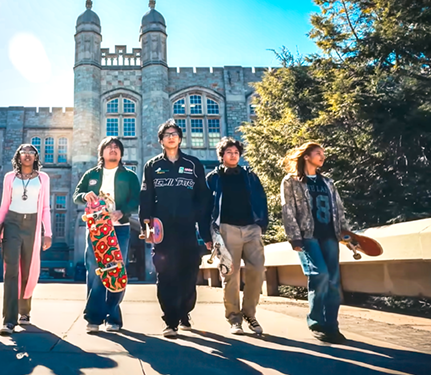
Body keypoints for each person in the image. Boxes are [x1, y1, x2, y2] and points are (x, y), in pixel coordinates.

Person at [139, 119, 212, 338]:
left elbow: (203, 198)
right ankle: (170, 320)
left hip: (187, 229)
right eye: (166, 134)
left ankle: (184, 313)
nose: (171, 137)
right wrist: (146, 224)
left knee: (189, 273)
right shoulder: (153, 166)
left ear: (180, 138)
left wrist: (205, 231)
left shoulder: (193, 164)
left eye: (174, 133)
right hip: (163, 231)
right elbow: (146, 196)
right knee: (166, 273)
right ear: (161, 140)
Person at [280, 142, 350, 343]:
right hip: (308, 236)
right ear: (306, 157)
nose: (322, 156)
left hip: (330, 235)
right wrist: (294, 237)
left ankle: (332, 326)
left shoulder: (328, 182)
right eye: (318, 153)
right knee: (320, 274)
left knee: (334, 282)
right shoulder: (291, 181)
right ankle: (316, 321)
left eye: (323, 153)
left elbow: (339, 208)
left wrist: (345, 232)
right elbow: (288, 209)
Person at [73, 137, 140, 333]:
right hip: (96, 229)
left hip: (120, 228)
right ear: (101, 152)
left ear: (121, 153)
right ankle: (93, 317)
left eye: (117, 147)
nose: (113, 150)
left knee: (116, 270)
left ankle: (113, 316)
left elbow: (137, 200)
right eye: (109, 147)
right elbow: (77, 195)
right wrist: (85, 196)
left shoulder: (129, 176)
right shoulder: (91, 174)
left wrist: (123, 212)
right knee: (95, 270)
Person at [206, 137, 268, 335]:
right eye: (229, 152)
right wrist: (210, 234)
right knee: (230, 275)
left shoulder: (250, 176)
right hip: (227, 229)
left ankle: (250, 314)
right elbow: (206, 207)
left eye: (236, 153)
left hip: (251, 228)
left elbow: (261, 199)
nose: (233, 155)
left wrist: (261, 225)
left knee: (257, 272)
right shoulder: (213, 178)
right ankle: (234, 318)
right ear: (222, 155)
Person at [0, 144, 52, 335]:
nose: (27, 155)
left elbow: (45, 207)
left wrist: (47, 232)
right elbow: (4, 205)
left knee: (28, 268)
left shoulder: (43, 178)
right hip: (12, 223)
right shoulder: (10, 177)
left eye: (31, 152)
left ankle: (24, 310)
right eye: (23, 152)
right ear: (18, 156)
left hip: (32, 224)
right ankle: (9, 319)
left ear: (36, 157)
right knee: (11, 270)